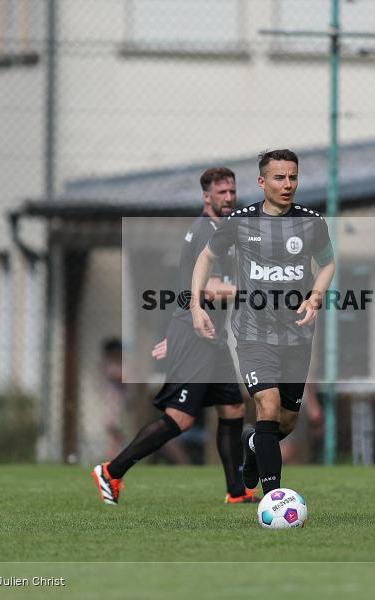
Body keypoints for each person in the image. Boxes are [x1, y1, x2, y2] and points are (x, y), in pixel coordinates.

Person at [93, 167, 258, 505]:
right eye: (221, 193)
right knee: (179, 419)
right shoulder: (203, 233)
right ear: (206, 196)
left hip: (206, 336)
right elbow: (208, 289)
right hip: (196, 337)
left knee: (232, 410)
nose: (229, 198)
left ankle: (236, 492)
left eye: (232, 192)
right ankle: (112, 471)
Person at [191, 149, 335, 495]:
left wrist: (315, 296)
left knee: (284, 422)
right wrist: (197, 306)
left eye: (293, 177)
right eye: (279, 178)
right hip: (254, 334)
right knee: (267, 405)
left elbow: (327, 264)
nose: (288, 185)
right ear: (262, 181)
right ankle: (273, 497)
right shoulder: (240, 222)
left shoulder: (312, 223)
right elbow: (205, 258)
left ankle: (253, 442)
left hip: (297, 336)